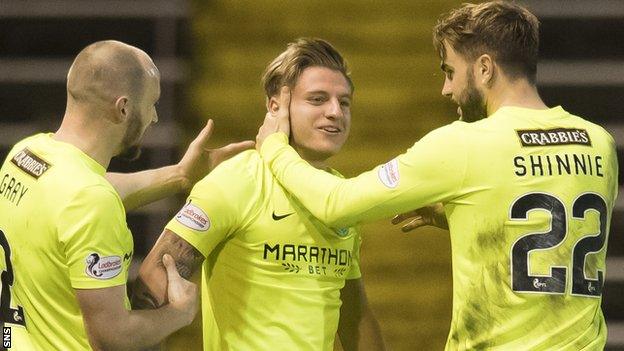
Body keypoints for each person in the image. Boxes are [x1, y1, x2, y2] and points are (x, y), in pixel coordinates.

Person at [256, 2, 618, 350]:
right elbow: (558, 228)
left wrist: (275, 147)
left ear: (485, 68)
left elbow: (336, 204)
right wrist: (459, 218)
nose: (446, 88)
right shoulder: (597, 142)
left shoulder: (464, 143)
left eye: (450, 71)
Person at [133, 38, 385, 351]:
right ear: (275, 106)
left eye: (344, 102)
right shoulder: (237, 180)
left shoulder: (337, 193)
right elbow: (152, 283)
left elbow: (353, 315)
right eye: (318, 99)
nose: (335, 112)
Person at [0, 40, 252, 350]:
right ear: (123, 108)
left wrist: (179, 175)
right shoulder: (90, 201)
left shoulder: (28, 154)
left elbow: (93, 192)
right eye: (152, 103)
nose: (155, 117)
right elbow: (112, 337)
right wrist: (179, 313)